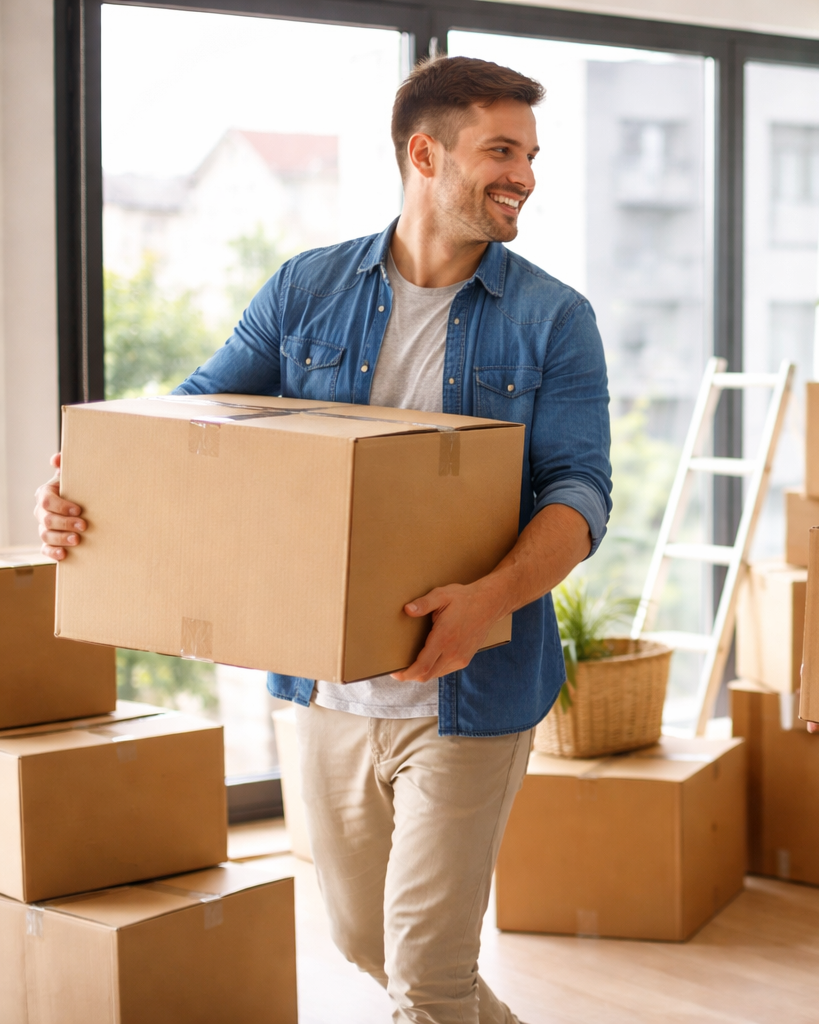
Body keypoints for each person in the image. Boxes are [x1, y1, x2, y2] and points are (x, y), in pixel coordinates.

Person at [36, 56, 611, 1024]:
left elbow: (580, 492)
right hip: (326, 683)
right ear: (425, 154)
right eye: (501, 151)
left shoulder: (553, 318)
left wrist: (488, 601)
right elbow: (190, 426)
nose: (526, 175)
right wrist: (76, 488)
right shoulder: (308, 290)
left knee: (426, 976)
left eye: (531, 154)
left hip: (470, 686)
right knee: (365, 941)